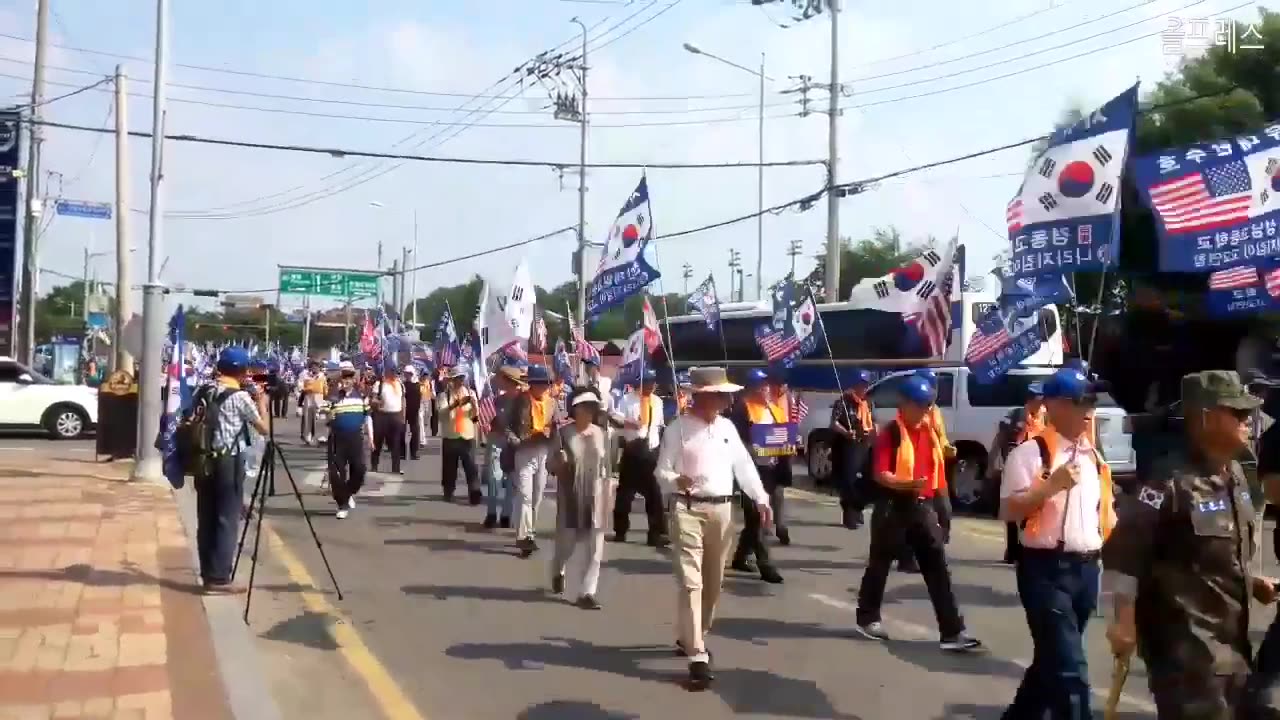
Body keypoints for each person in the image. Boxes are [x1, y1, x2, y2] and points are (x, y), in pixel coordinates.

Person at [1104, 370, 1279, 718]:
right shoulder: (1168, 482)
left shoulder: (1235, 476)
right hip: (1186, 656)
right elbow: (1125, 552)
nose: (1250, 421)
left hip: (1232, 651)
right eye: (1239, 414)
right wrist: (1123, 621)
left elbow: (1214, 550)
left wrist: (1252, 582)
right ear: (1206, 417)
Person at [999, 367, 1114, 719]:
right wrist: (1049, 487)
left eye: (1091, 403)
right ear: (1056, 406)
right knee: (1070, 671)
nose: (1088, 412)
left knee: (1052, 659)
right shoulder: (1030, 455)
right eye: (1081, 403)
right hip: (1046, 570)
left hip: (1087, 569)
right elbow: (1007, 509)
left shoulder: (1093, 456)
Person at [656, 367, 772, 690]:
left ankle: (693, 634)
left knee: (713, 583)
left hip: (723, 510)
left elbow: (744, 467)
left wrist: (761, 499)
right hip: (687, 508)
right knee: (691, 582)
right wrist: (674, 480)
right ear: (702, 395)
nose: (726, 399)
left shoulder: (727, 429)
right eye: (720, 394)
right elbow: (661, 471)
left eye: (726, 394)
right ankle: (697, 655)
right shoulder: (677, 430)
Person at [854, 374, 982, 652]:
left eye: (928, 405)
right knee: (880, 563)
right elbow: (881, 474)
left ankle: (952, 632)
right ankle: (867, 617)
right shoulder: (891, 433)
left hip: (922, 505)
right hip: (892, 504)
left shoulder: (929, 432)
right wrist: (908, 484)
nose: (925, 411)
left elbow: (934, 471)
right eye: (920, 405)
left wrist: (938, 502)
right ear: (904, 404)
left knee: (937, 567)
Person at [194, 347, 269, 594]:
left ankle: (207, 574)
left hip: (203, 461)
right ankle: (219, 579)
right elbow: (263, 428)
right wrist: (263, 403)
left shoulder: (204, 390)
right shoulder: (240, 398)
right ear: (243, 371)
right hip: (229, 462)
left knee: (206, 518)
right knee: (226, 519)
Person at [548, 389, 613, 610]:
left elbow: (609, 465)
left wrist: (612, 483)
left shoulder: (602, 433)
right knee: (567, 545)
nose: (589, 411)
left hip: (598, 494)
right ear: (575, 409)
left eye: (592, 407)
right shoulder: (563, 434)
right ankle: (558, 569)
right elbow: (550, 466)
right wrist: (559, 460)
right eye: (584, 407)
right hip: (572, 495)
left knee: (595, 548)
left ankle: (587, 592)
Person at [728, 369, 787, 584]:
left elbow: (782, 434)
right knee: (758, 517)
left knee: (755, 519)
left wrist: (792, 440)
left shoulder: (773, 409)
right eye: (761, 386)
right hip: (749, 470)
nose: (766, 389)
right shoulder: (741, 409)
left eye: (767, 385)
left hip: (771, 470)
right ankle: (766, 565)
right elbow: (735, 440)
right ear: (752, 389)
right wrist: (756, 450)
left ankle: (740, 556)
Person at [610, 368, 668, 547]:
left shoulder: (657, 402)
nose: (650, 387)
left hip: (651, 452)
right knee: (625, 494)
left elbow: (659, 425)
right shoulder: (627, 400)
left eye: (652, 384)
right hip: (633, 451)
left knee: (654, 495)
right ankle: (620, 530)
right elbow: (614, 417)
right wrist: (629, 423)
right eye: (647, 383)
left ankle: (656, 533)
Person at [989, 385, 1046, 565]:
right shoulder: (1015, 416)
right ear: (1029, 400)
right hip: (1016, 468)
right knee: (1014, 509)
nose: (1039, 403)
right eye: (1037, 400)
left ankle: (1025, 549)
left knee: (1033, 509)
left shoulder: (1045, 416)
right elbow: (999, 440)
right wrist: (991, 463)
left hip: (1037, 469)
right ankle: (1013, 551)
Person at [506, 364, 558, 558]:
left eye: (546, 384)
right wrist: (518, 442)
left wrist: (551, 433)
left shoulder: (552, 403)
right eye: (540, 383)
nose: (544, 387)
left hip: (543, 453)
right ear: (532, 384)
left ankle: (531, 532)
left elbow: (557, 427)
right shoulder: (520, 401)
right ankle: (523, 537)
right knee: (524, 496)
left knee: (537, 497)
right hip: (525, 452)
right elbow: (507, 427)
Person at [326, 361, 373, 520]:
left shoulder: (361, 396)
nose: (346, 380)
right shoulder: (334, 396)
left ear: (354, 379)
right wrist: (328, 414)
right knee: (336, 474)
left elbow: (368, 418)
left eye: (350, 377)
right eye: (344, 377)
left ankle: (348, 492)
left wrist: (371, 438)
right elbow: (324, 414)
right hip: (337, 439)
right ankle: (342, 504)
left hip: (355, 438)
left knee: (359, 469)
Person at [829, 369, 875, 530]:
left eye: (865, 385)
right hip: (847, 445)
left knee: (866, 479)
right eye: (860, 385)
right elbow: (833, 423)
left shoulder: (867, 403)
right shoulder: (843, 401)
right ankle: (849, 514)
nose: (863, 388)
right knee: (848, 481)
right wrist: (846, 432)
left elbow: (871, 422)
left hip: (864, 444)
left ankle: (858, 507)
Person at [482, 365, 524, 529]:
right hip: (496, 442)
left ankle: (506, 514)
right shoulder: (495, 400)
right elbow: (488, 421)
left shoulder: (522, 401)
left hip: (514, 444)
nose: (498, 381)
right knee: (494, 479)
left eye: (501, 378)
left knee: (512, 482)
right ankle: (491, 513)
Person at [438, 366, 481, 504]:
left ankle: (474, 493)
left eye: (462, 378)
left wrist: (474, 406)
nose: (460, 381)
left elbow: (475, 418)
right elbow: (442, 415)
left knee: (471, 467)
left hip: (467, 437)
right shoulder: (444, 395)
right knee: (449, 467)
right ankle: (448, 491)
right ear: (451, 380)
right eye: (457, 379)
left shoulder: (471, 393)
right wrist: (456, 404)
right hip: (451, 437)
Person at [765, 371, 796, 545]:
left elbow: (792, 419)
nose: (781, 386)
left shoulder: (789, 398)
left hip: (783, 444)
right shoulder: (765, 397)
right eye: (778, 382)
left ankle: (780, 526)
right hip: (766, 443)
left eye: (783, 383)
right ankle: (767, 524)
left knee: (778, 490)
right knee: (765, 488)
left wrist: (793, 438)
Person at [370, 364, 406, 475]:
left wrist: (403, 416)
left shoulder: (400, 384)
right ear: (387, 372)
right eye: (393, 371)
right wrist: (378, 403)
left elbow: (403, 400)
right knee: (378, 442)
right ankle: (374, 466)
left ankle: (396, 468)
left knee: (395, 443)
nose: (395, 374)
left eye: (396, 372)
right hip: (381, 416)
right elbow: (372, 400)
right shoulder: (380, 384)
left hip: (395, 416)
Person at [298, 360, 328, 446]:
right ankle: (307, 437)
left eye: (317, 366)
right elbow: (300, 386)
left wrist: (325, 398)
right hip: (308, 397)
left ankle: (320, 438)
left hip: (319, 397)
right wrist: (306, 389)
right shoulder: (306, 376)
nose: (315, 368)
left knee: (320, 417)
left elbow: (325, 388)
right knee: (308, 417)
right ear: (311, 367)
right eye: (313, 366)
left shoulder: (322, 376)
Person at [402, 366, 425, 461]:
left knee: (415, 432)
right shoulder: (403, 385)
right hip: (403, 411)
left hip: (414, 411)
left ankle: (414, 453)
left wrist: (419, 410)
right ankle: (401, 453)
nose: (406, 375)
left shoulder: (417, 385)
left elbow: (419, 399)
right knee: (401, 431)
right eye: (405, 373)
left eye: (408, 373)